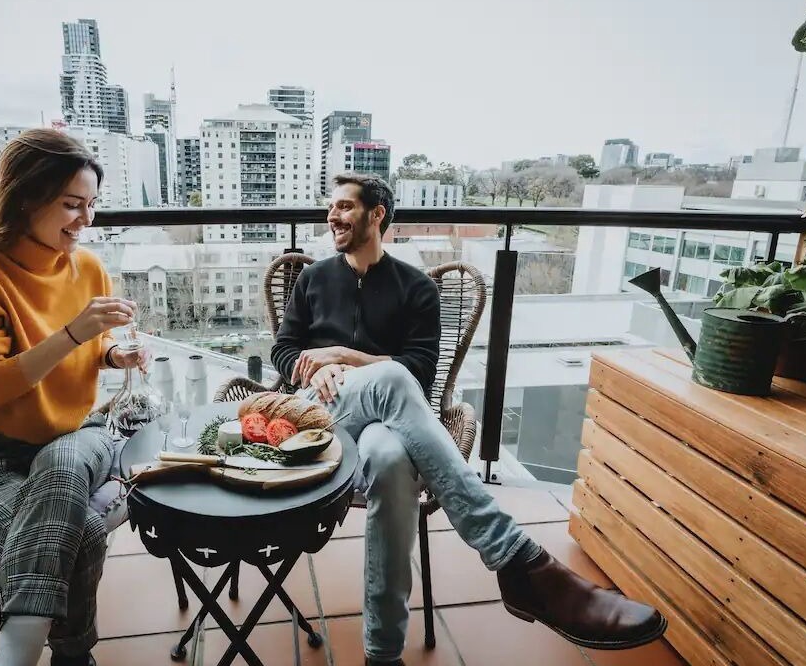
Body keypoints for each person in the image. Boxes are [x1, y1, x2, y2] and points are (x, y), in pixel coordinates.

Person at [272, 173, 666, 666]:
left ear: (377, 215)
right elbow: (283, 351)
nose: (333, 216)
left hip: (386, 426)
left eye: (346, 207)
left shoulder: (415, 287)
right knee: (390, 378)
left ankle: (383, 653)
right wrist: (322, 362)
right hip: (321, 414)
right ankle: (517, 558)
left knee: (392, 461)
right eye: (331, 207)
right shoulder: (313, 279)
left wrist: (342, 353)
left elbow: (417, 371)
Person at [0, 129, 148, 666]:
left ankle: (13, 658)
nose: (85, 219)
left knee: (63, 460)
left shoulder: (86, 268)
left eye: (91, 205)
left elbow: (91, 349)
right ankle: (72, 658)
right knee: (82, 529)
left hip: (76, 438)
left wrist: (112, 356)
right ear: (24, 196)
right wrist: (73, 334)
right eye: (71, 205)